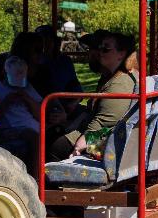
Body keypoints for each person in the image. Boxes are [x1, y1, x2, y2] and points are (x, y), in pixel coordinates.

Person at [49, 32, 138, 161]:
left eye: (105, 49)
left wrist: (78, 146)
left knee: (54, 146)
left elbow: (102, 124)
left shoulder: (120, 84)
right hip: (109, 137)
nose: (99, 52)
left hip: (108, 144)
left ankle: (46, 179)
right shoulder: (111, 77)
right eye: (99, 47)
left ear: (121, 54)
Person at [0, 54, 42, 172]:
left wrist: (27, 98)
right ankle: (36, 176)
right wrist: (6, 102)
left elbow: (40, 114)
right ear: (4, 73)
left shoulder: (28, 88)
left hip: (33, 127)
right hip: (12, 129)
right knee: (34, 137)